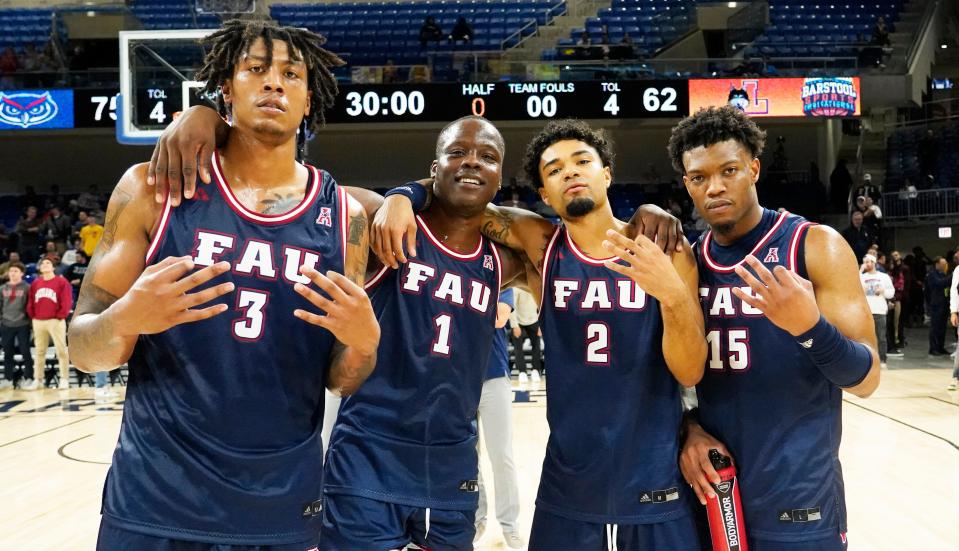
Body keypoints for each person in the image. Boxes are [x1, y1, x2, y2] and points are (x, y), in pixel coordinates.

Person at [68, 20, 380, 550]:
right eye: (255, 70)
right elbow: (83, 349)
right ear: (226, 90)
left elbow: (341, 382)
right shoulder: (152, 188)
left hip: (280, 501)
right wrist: (126, 320)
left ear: (310, 100)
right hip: (154, 499)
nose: (274, 84)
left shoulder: (344, 217)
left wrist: (364, 343)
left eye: (291, 74)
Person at [372, 119, 701, 550]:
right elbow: (463, 190)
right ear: (544, 194)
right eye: (555, 169)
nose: (571, 172)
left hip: (655, 480)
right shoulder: (540, 246)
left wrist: (672, 296)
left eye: (583, 161)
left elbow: (691, 369)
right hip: (569, 487)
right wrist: (403, 194)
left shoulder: (665, 248)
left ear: (607, 174)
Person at [671, 106, 880, 551]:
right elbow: (674, 375)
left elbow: (867, 380)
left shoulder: (814, 245)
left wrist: (809, 327)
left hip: (800, 495)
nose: (715, 187)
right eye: (698, 178)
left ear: (754, 169)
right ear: (687, 185)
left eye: (729, 170)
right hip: (715, 488)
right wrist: (689, 427)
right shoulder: (687, 262)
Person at [475, 288, 525, 549]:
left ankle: (509, 525)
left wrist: (460, 308)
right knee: (469, 456)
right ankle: (476, 520)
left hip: (494, 375)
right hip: (460, 377)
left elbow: (499, 318)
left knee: (501, 456)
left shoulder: (500, 277)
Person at [27, 258, 72, 389]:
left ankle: (64, 379)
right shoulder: (36, 283)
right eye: (43, 263)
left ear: (53, 267)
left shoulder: (61, 282)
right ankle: (38, 379)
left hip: (55, 321)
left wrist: (60, 316)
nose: (45, 265)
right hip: (38, 321)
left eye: (48, 263)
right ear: (40, 268)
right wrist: (33, 316)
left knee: (61, 350)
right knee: (39, 352)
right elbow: (31, 301)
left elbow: (67, 300)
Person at [0, 263, 35, 390]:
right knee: (7, 353)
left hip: (23, 324)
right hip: (6, 324)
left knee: (26, 352)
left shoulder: (27, 287)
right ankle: (8, 379)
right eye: (11, 271)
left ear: (21, 273)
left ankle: (28, 378)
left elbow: (30, 305)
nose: (13, 273)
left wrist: (30, 321)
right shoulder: (3, 288)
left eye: (15, 271)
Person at [860, 253, 894, 368]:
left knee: (881, 337)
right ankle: (869, 360)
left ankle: (883, 359)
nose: (867, 264)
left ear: (874, 263)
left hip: (879, 310)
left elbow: (891, 293)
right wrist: (860, 271)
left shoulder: (883, 276)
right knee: (866, 338)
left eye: (869, 262)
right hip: (866, 312)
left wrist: (883, 290)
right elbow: (853, 288)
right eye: (865, 262)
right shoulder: (862, 277)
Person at [509, 286, 541, 384]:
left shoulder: (537, 286)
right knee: (518, 347)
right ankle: (522, 372)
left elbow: (542, 305)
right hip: (518, 321)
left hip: (534, 319)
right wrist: (514, 325)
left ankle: (535, 370)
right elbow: (511, 306)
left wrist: (541, 325)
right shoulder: (516, 287)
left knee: (537, 345)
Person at [925, 256, 950, 356]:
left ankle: (940, 347)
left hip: (944, 303)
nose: (945, 266)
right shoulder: (932, 275)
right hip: (936, 304)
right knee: (935, 327)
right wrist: (952, 277)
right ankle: (933, 348)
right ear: (937, 264)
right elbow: (939, 284)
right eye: (943, 264)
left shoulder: (943, 274)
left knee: (942, 327)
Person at [887, 250, 909, 356]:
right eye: (893, 256)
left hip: (899, 298)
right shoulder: (888, 272)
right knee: (893, 322)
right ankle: (895, 341)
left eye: (896, 255)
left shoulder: (904, 269)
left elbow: (905, 284)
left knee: (898, 321)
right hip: (892, 298)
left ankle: (898, 340)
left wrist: (903, 295)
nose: (895, 257)